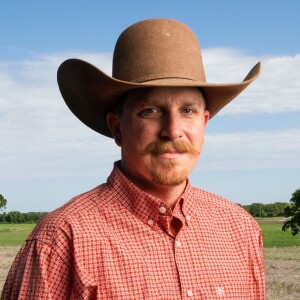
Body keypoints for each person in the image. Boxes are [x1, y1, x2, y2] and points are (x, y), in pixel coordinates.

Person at [2, 18, 265, 299]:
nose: (173, 131)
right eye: (150, 111)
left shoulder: (241, 228)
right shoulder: (62, 240)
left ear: (204, 123)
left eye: (187, 111)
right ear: (117, 128)